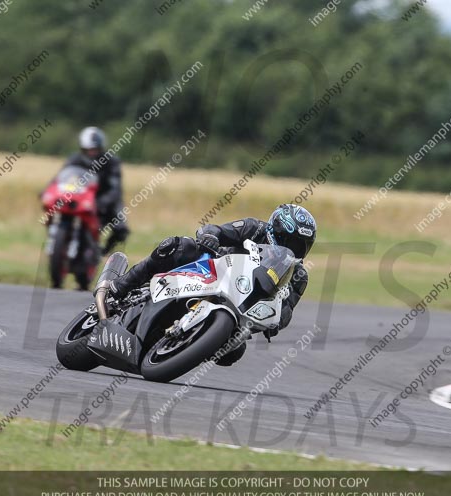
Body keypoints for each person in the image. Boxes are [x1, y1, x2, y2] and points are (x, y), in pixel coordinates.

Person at [108, 204, 316, 366]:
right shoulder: (254, 228)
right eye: (288, 241)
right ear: (274, 231)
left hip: (240, 308)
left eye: (300, 246)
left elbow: (286, 311)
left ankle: (183, 348)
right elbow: (216, 230)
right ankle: (121, 286)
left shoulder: (297, 275)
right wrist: (210, 236)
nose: (293, 249)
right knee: (179, 246)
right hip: (210, 272)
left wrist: (276, 318)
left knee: (234, 352)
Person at [63, 126, 130, 254]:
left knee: (121, 228)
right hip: (81, 197)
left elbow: (115, 189)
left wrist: (102, 202)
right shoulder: (75, 159)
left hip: (106, 199)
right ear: (83, 148)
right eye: (89, 149)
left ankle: (104, 252)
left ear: (101, 147)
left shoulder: (111, 162)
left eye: (95, 149)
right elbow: (61, 177)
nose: (92, 152)